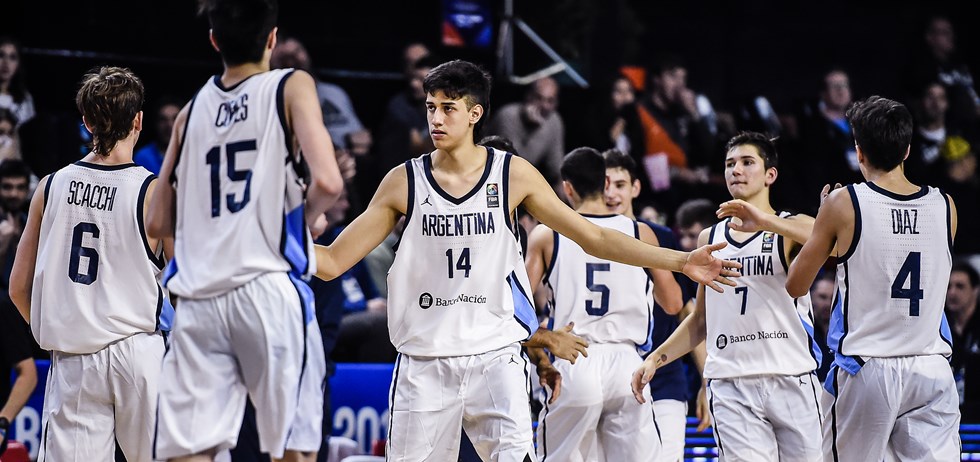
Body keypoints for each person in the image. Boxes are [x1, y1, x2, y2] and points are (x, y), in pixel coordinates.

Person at [311, 59, 740, 461]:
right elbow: (330, 262)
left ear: (476, 114)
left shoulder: (511, 174)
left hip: (494, 357)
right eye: (430, 108)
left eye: (448, 108)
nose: (436, 119)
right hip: (426, 360)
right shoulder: (404, 181)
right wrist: (269, 243)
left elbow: (593, 236)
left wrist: (682, 260)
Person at [146, 0, 344, 460]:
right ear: (272, 38)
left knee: (191, 451)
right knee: (292, 448)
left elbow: (157, 221)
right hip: (266, 288)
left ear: (214, 40)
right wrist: (295, 217)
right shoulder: (291, 85)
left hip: (197, 300)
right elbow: (330, 183)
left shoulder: (188, 113)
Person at [7, 66, 173, 462]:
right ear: (138, 120)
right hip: (138, 353)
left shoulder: (49, 186)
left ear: (86, 122)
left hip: (74, 357)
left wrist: (66, 324)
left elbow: (17, 287)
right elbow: (188, 283)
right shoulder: (153, 192)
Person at [786, 95, 961, 460]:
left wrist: (824, 220)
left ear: (859, 151)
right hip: (931, 366)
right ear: (908, 150)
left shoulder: (844, 202)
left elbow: (796, 285)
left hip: (869, 366)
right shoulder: (946, 205)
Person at [634, 131, 824, 461]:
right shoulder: (710, 236)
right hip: (731, 380)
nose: (736, 170)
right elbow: (701, 320)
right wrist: (656, 357)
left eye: (747, 162)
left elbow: (824, 236)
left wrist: (764, 220)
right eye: (729, 164)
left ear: (770, 175)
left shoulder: (787, 228)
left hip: (791, 375)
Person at [524, 147, 682, 461]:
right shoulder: (641, 232)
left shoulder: (547, 234)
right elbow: (673, 303)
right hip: (627, 364)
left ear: (567, 188)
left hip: (574, 355)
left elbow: (520, 310)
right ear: (605, 184)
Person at [602, 148, 709, 461]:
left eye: (620, 184)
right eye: (604, 184)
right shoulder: (585, 237)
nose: (611, 193)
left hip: (663, 371)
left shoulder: (662, 237)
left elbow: (687, 311)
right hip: (609, 366)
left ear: (635, 188)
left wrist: (706, 380)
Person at [485, 77, 566, 189]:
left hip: (521, 181)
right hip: (491, 179)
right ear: (528, 96)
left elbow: (556, 169)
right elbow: (516, 165)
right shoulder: (507, 115)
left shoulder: (554, 120)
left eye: (550, 101)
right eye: (539, 98)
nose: (544, 105)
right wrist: (535, 128)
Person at [946, 259, 980, 419]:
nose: (952, 293)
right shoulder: (938, 327)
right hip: (947, 414)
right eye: (948, 287)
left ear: (975, 290)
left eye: (960, 286)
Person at [133, 96, 181, 175]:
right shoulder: (143, 157)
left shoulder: (191, 155)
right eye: (163, 119)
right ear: (155, 124)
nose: (169, 125)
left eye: (175, 118)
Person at [0, 37, 34, 129]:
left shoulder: (24, 98)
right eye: (1, 55)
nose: (6, 62)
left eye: (12, 57)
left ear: (18, 64)